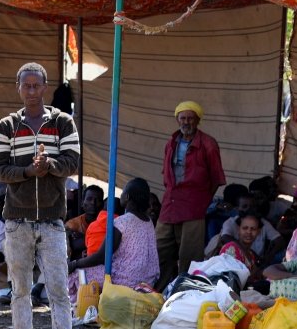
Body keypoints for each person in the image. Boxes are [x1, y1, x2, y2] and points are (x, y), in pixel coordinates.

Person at [0, 62, 95, 329]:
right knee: (20, 290)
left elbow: (73, 162)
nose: (32, 91)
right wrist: (27, 172)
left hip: (52, 220)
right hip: (17, 221)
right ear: (19, 88)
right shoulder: (7, 126)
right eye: (27, 86)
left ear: (45, 88)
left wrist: (48, 164)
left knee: (58, 290)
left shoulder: (63, 123)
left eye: (37, 86)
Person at [155, 100, 226, 290]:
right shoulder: (171, 143)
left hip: (193, 207)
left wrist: (202, 201)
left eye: (190, 118)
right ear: (177, 120)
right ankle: (159, 290)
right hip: (170, 204)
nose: (186, 122)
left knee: (189, 257)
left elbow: (217, 178)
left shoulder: (208, 144)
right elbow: (166, 174)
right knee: (159, 249)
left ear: (197, 120)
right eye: (183, 118)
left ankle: (183, 293)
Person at [66, 177, 159, 301]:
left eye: (123, 192)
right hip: (147, 281)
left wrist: (74, 264)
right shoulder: (148, 222)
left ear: (127, 197)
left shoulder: (122, 222)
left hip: (127, 281)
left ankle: (77, 309)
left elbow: (101, 256)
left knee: (75, 273)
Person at [65, 184, 104, 260]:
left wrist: (85, 237)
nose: (93, 202)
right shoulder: (72, 225)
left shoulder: (106, 223)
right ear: (82, 203)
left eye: (97, 200)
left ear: (102, 204)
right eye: (89, 199)